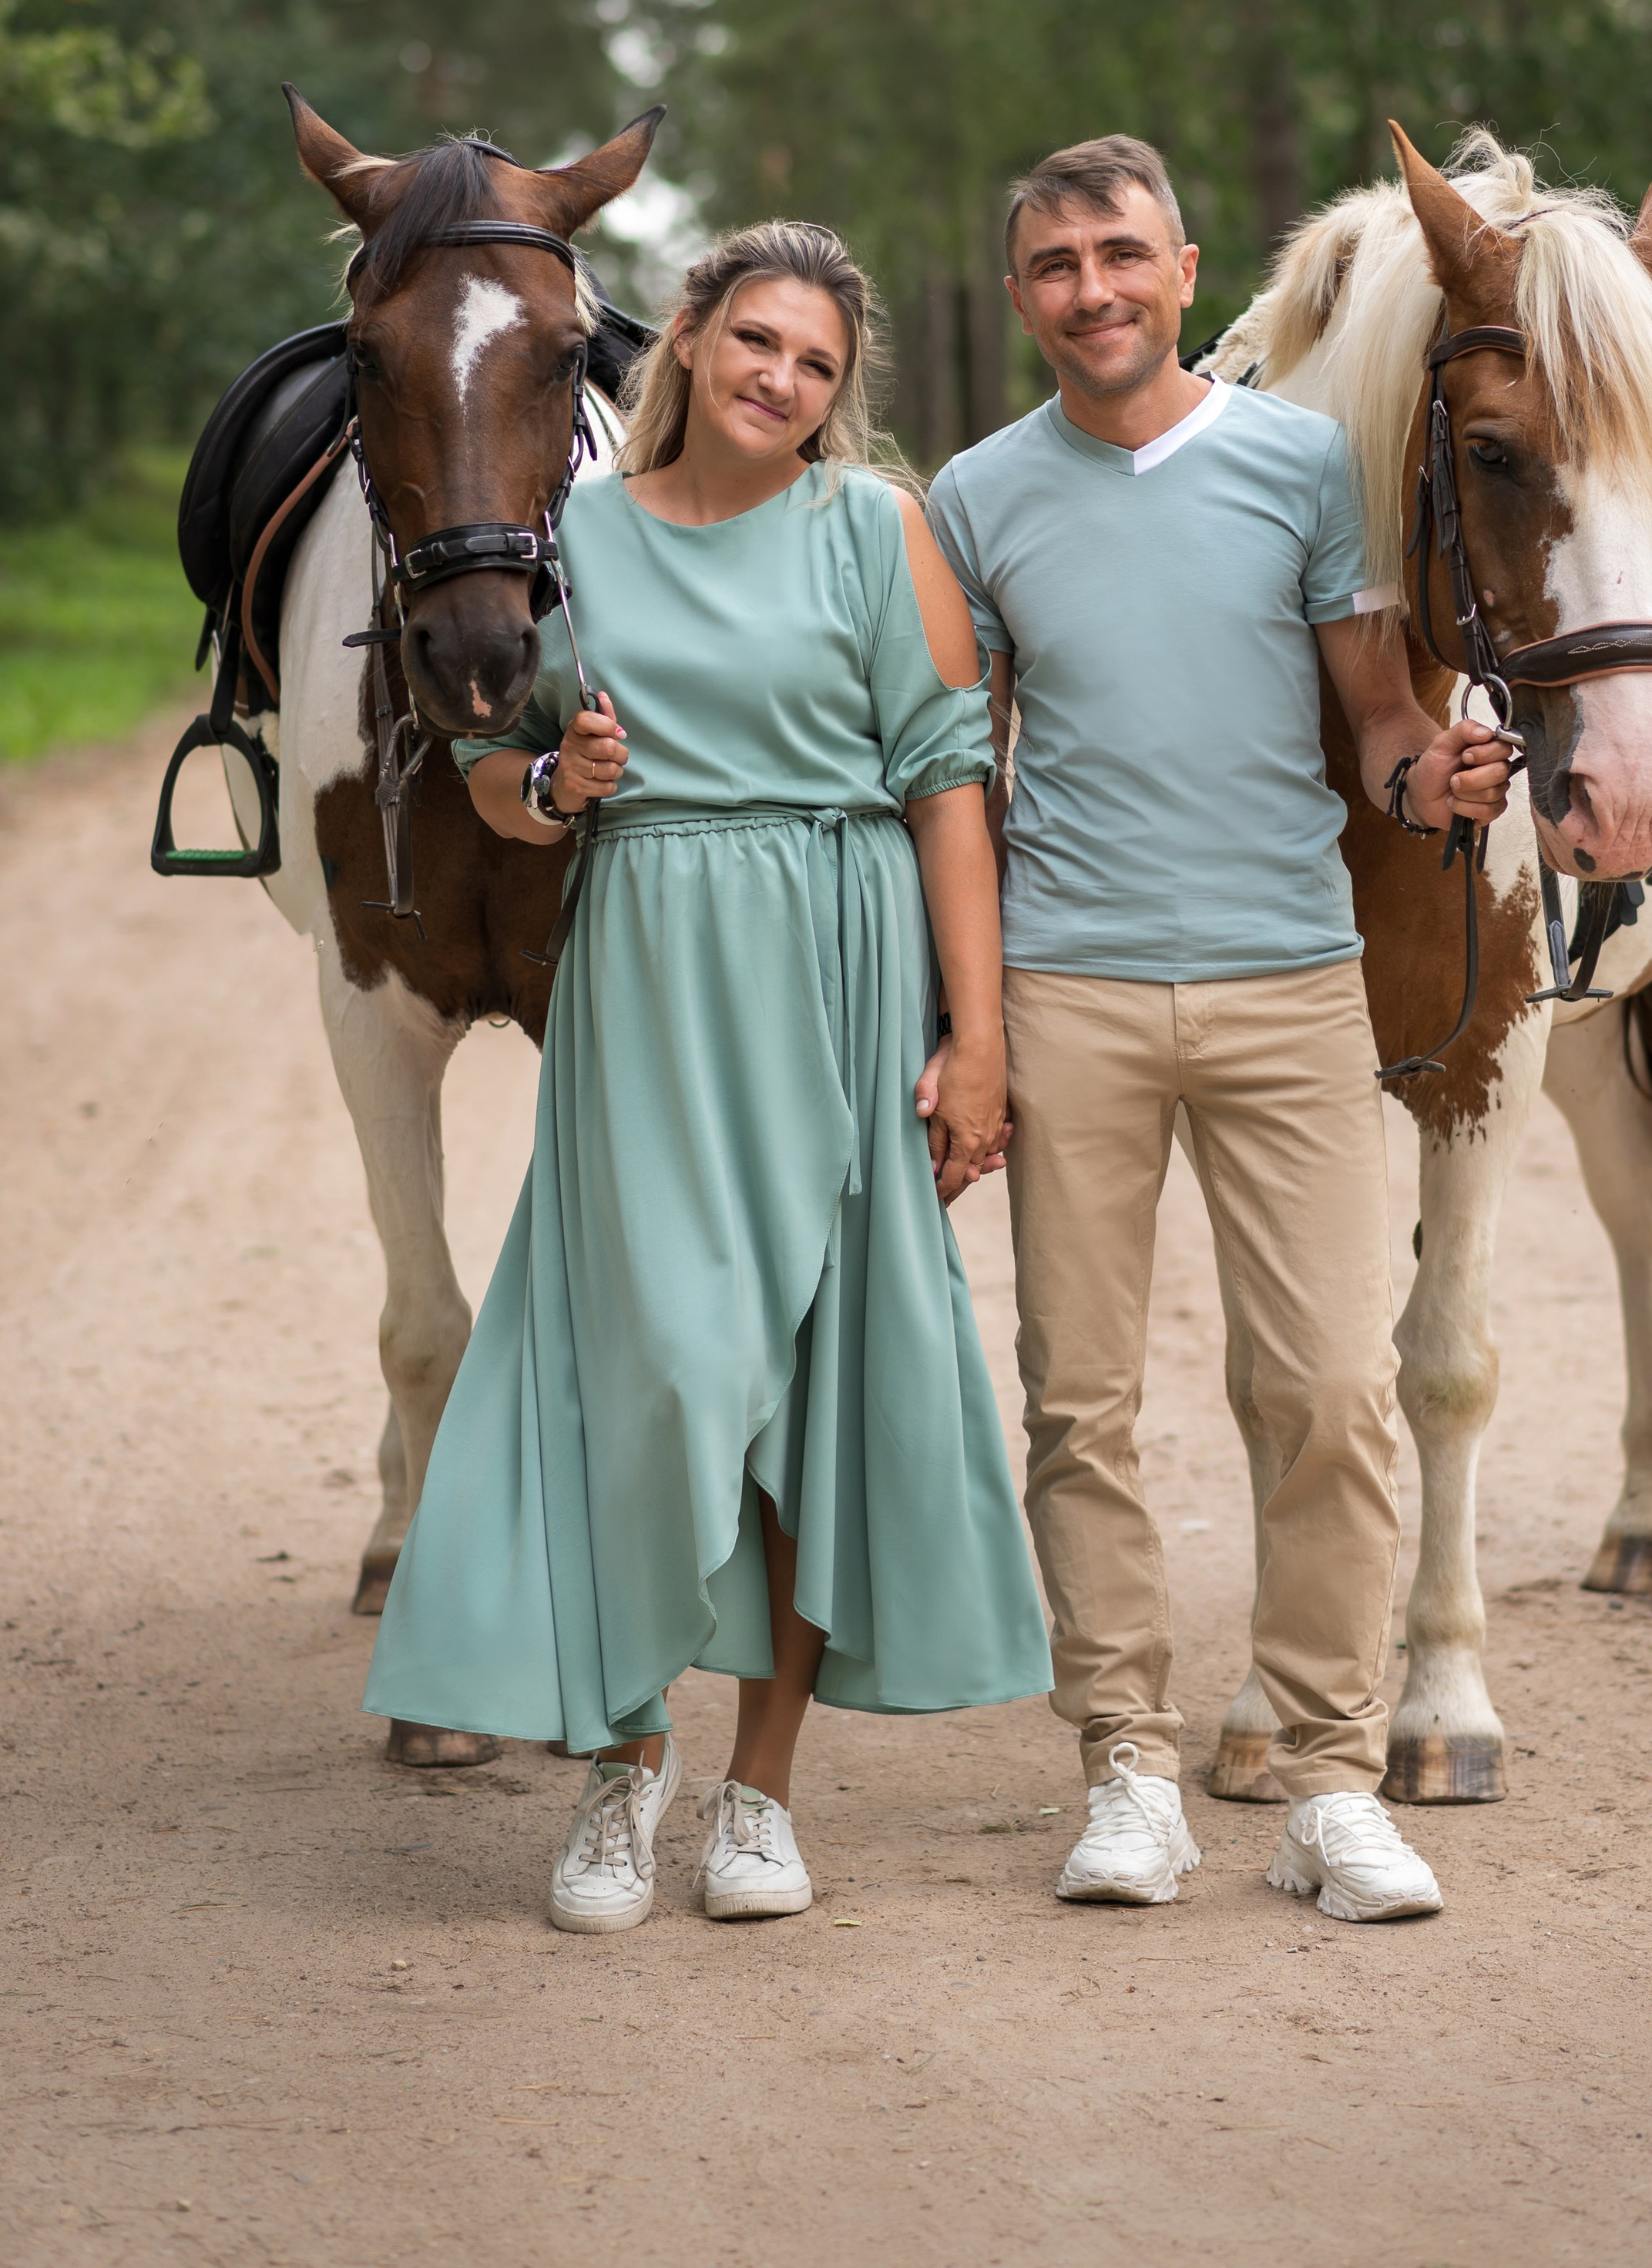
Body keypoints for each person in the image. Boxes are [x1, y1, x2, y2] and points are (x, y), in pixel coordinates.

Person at [363, 220, 1051, 1933]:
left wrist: (976, 1039)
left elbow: (946, 787)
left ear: (838, 390)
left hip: (838, 948)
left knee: (810, 1389)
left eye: (815, 363)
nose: (781, 380)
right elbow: (492, 784)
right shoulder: (573, 533)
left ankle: (761, 1790)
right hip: (652, 966)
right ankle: (619, 1766)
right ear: (688, 336)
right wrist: (565, 776)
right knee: (653, 1367)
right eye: (755, 341)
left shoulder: (874, 529)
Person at [925, 136, 1512, 1920]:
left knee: (1328, 1388)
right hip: (1069, 991)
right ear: (1019, 292)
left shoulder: (1300, 464)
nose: (1090, 288)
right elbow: (954, 770)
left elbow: (1372, 715)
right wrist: (973, 1029)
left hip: (1286, 986)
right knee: (1074, 1403)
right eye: (1052, 264)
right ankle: (1125, 1770)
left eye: (1120, 252)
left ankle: (1332, 1782)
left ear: (1185, 269)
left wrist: (1434, 774)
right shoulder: (970, 497)